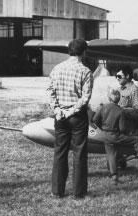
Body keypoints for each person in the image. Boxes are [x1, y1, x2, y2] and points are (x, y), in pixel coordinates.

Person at [47, 39, 93, 199]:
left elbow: (51, 92)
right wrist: (71, 111)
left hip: (60, 117)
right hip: (77, 117)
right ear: (84, 52)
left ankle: (57, 191)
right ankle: (78, 192)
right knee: (79, 153)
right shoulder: (86, 71)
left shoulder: (56, 68)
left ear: (69, 51)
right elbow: (85, 97)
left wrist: (58, 110)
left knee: (60, 152)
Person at [92, 88, 138, 184]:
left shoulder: (102, 107)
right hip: (115, 135)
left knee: (111, 154)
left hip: (105, 135)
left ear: (109, 98)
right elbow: (123, 129)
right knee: (137, 140)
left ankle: (114, 176)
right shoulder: (120, 111)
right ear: (118, 99)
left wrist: (102, 127)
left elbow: (95, 119)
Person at [115, 66, 138, 135]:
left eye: (119, 76)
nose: (117, 78)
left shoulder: (134, 90)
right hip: (117, 126)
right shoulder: (118, 90)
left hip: (128, 127)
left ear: (127, 76)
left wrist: (122, 110)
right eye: (116, 76)